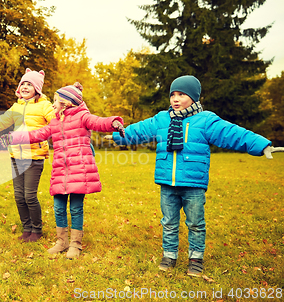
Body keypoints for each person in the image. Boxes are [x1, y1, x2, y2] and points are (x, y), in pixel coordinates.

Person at [106, 75, 284, 276]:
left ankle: (196, 258)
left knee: (196, 224)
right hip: (167, 183)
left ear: (193, 97)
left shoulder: (206, 120)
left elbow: (233, 133)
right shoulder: (162, 119)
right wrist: (116, 137)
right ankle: (169, 255)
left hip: (193, 184)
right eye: (173, 94)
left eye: (181, 94)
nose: (175, 99)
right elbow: (139, 130)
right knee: (169, 222)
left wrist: (262, 145)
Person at [0, 82, 125, 258]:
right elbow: (37, 134)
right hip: (60, 170)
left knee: (76, 208)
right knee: (58, 208)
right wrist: (13, 137)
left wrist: (114, 123)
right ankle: (62, 241)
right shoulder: (55, 122)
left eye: (56, 101)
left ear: (66, 104)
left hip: (79, 171)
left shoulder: (83, 117)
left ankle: (75, 244)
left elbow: (98, 122)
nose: (52, 104)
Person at [0, 68, 55, 242]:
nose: (25, 87)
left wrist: (75, 137)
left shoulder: (45, 106)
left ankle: (37, 230)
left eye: (30, 84)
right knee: (19, 196)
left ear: (37, 88)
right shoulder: (16, 107)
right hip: (16, 156)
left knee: (29, 195)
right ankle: (27, 228)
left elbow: (58, 124)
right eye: (23, 83)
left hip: (34, 157)